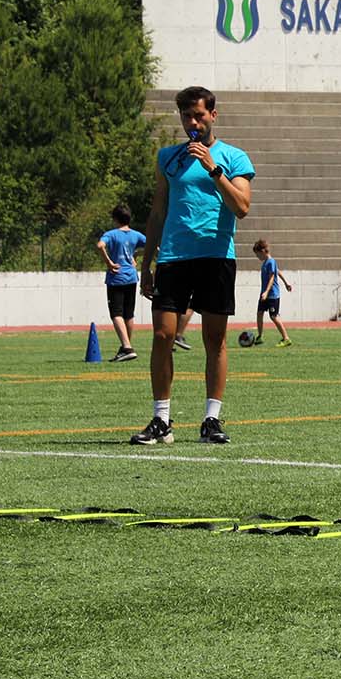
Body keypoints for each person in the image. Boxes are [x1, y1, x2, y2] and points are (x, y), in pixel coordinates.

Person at [131, 86, 255, 446]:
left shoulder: (233, 157)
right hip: (173, 258)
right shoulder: (168, 158)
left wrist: (213, 169)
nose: (192, 122)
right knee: (161, 336)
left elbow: (242, 207)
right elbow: (158, 212)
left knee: (214, 340)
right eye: (186, 116)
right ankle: (161, 420)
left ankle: (211, 419)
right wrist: (147, 264)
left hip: (216, 258)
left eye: (199, 115)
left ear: (213, 115)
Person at [95, 204, 147, 363]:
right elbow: (153, 246)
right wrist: (136, 254)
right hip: (131, 277)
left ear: (115, 219)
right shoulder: (136, 235)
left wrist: (110, 263)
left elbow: (100, 245)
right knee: (128, 314)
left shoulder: (111, 234)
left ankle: (127, 347)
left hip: (116, 277)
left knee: (116, 313)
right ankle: (126, 347)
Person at [250, 238, 293, 346]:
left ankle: (286, 338)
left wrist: (266, 292)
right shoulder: (267, 262)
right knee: (259, 313)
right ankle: (259, 337)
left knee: (274, 316)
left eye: (258, 254)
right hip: (265, 294)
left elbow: (272, 277)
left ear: (263, 251)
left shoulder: (271, 262)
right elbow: (278, 272)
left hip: (272, 295)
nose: (257, 257)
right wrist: (286, 283)